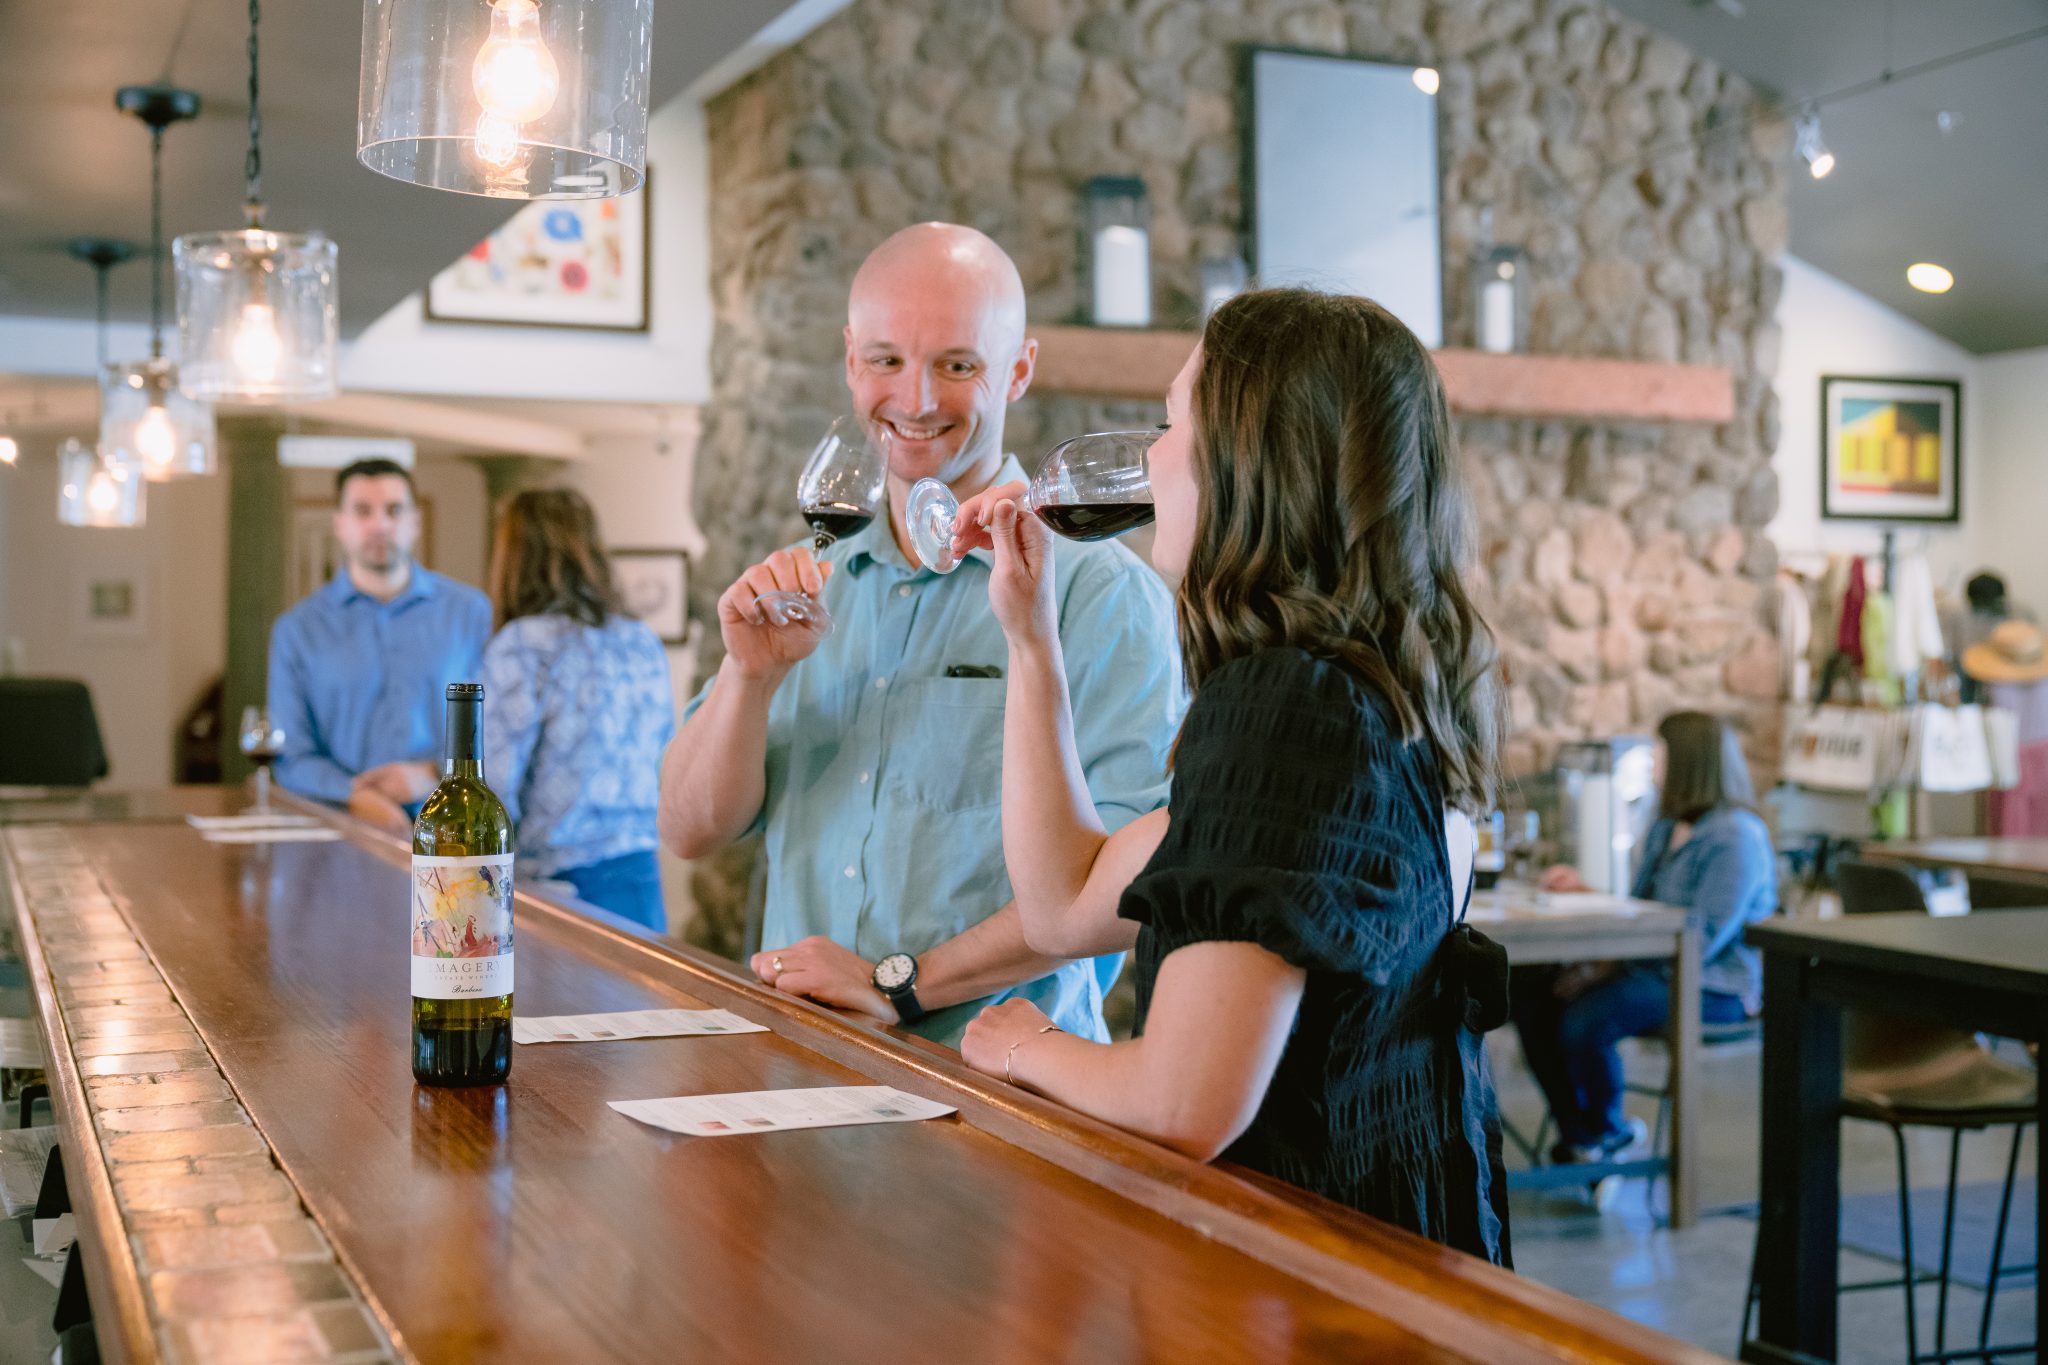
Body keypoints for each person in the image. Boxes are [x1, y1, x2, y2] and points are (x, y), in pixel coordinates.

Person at [950, 288, 1513, 1263]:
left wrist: (1020, 1048)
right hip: (1396, 1257)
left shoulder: (1281, 712)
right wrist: (1031, 641)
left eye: (1173, 424)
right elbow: (1062, 904)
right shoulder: (1380, 689)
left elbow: (1180, 1106)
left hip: (1304, 1283)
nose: (1153, 458)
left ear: (1253, 463)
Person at [658, 223, 1181, 1048]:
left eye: (958, 364)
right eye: (886, 359)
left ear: (1018, 371)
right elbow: (689, 830)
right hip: (802, 1065)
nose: (916, 400)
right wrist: (746, 680)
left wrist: (895, 987)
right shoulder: (802, 578)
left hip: (1000, 1097)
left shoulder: (1102, 593)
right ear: (848, 358)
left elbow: (1119, 896)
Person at [1513, 712, 1777, 1163]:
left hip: (1713, 985)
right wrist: (1588, 897)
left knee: (1586, 1020)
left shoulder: (1736, 836)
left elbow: (1703, 937)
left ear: (1688, 762)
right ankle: (1586, 1136)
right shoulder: (1665, 826)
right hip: (1655, 965)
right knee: (1531, 997)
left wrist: (1607, 967)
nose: (1652, 761)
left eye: (1660, 752)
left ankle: (1602, 1131)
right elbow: (1642, 907)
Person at [478, 488, 675, 929]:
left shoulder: (524, 646)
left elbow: (491, 792)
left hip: (558, 892)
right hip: (642, 881)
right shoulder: (641, 640)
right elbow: (667, 759)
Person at [268, 459, 492, 824]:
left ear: (415, 521)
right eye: (362, 511)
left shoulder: (470, 613)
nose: (379, 525)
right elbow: (291, 756)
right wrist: (355, 794)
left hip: (455, 828)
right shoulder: (297, 630)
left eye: (394, 510)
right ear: (339, 523)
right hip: (342, 831)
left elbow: (497, 725)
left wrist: (432, 772)